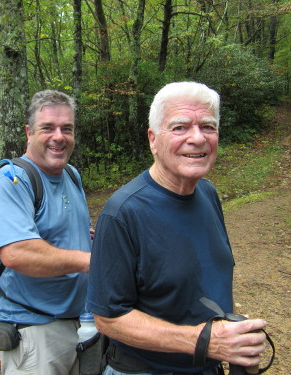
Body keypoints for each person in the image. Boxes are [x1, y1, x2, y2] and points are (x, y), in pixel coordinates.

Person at [86, 81, 269, 375]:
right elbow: (108, 318)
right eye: (180, 127)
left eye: (208, 127)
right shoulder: (123, 212)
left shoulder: (208, 194)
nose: (197, 138)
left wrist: (231, 340)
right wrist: (202, 342)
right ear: (153, 140)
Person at [0, 90, 92, 375]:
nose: (59, 136)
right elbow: (17, 254)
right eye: (48, 128)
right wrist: (90, 261)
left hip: (81, 322)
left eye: (66, 129)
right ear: (29, 132)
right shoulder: (11, 180)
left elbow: (65, 231)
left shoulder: (71, 174)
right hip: (34, 330)